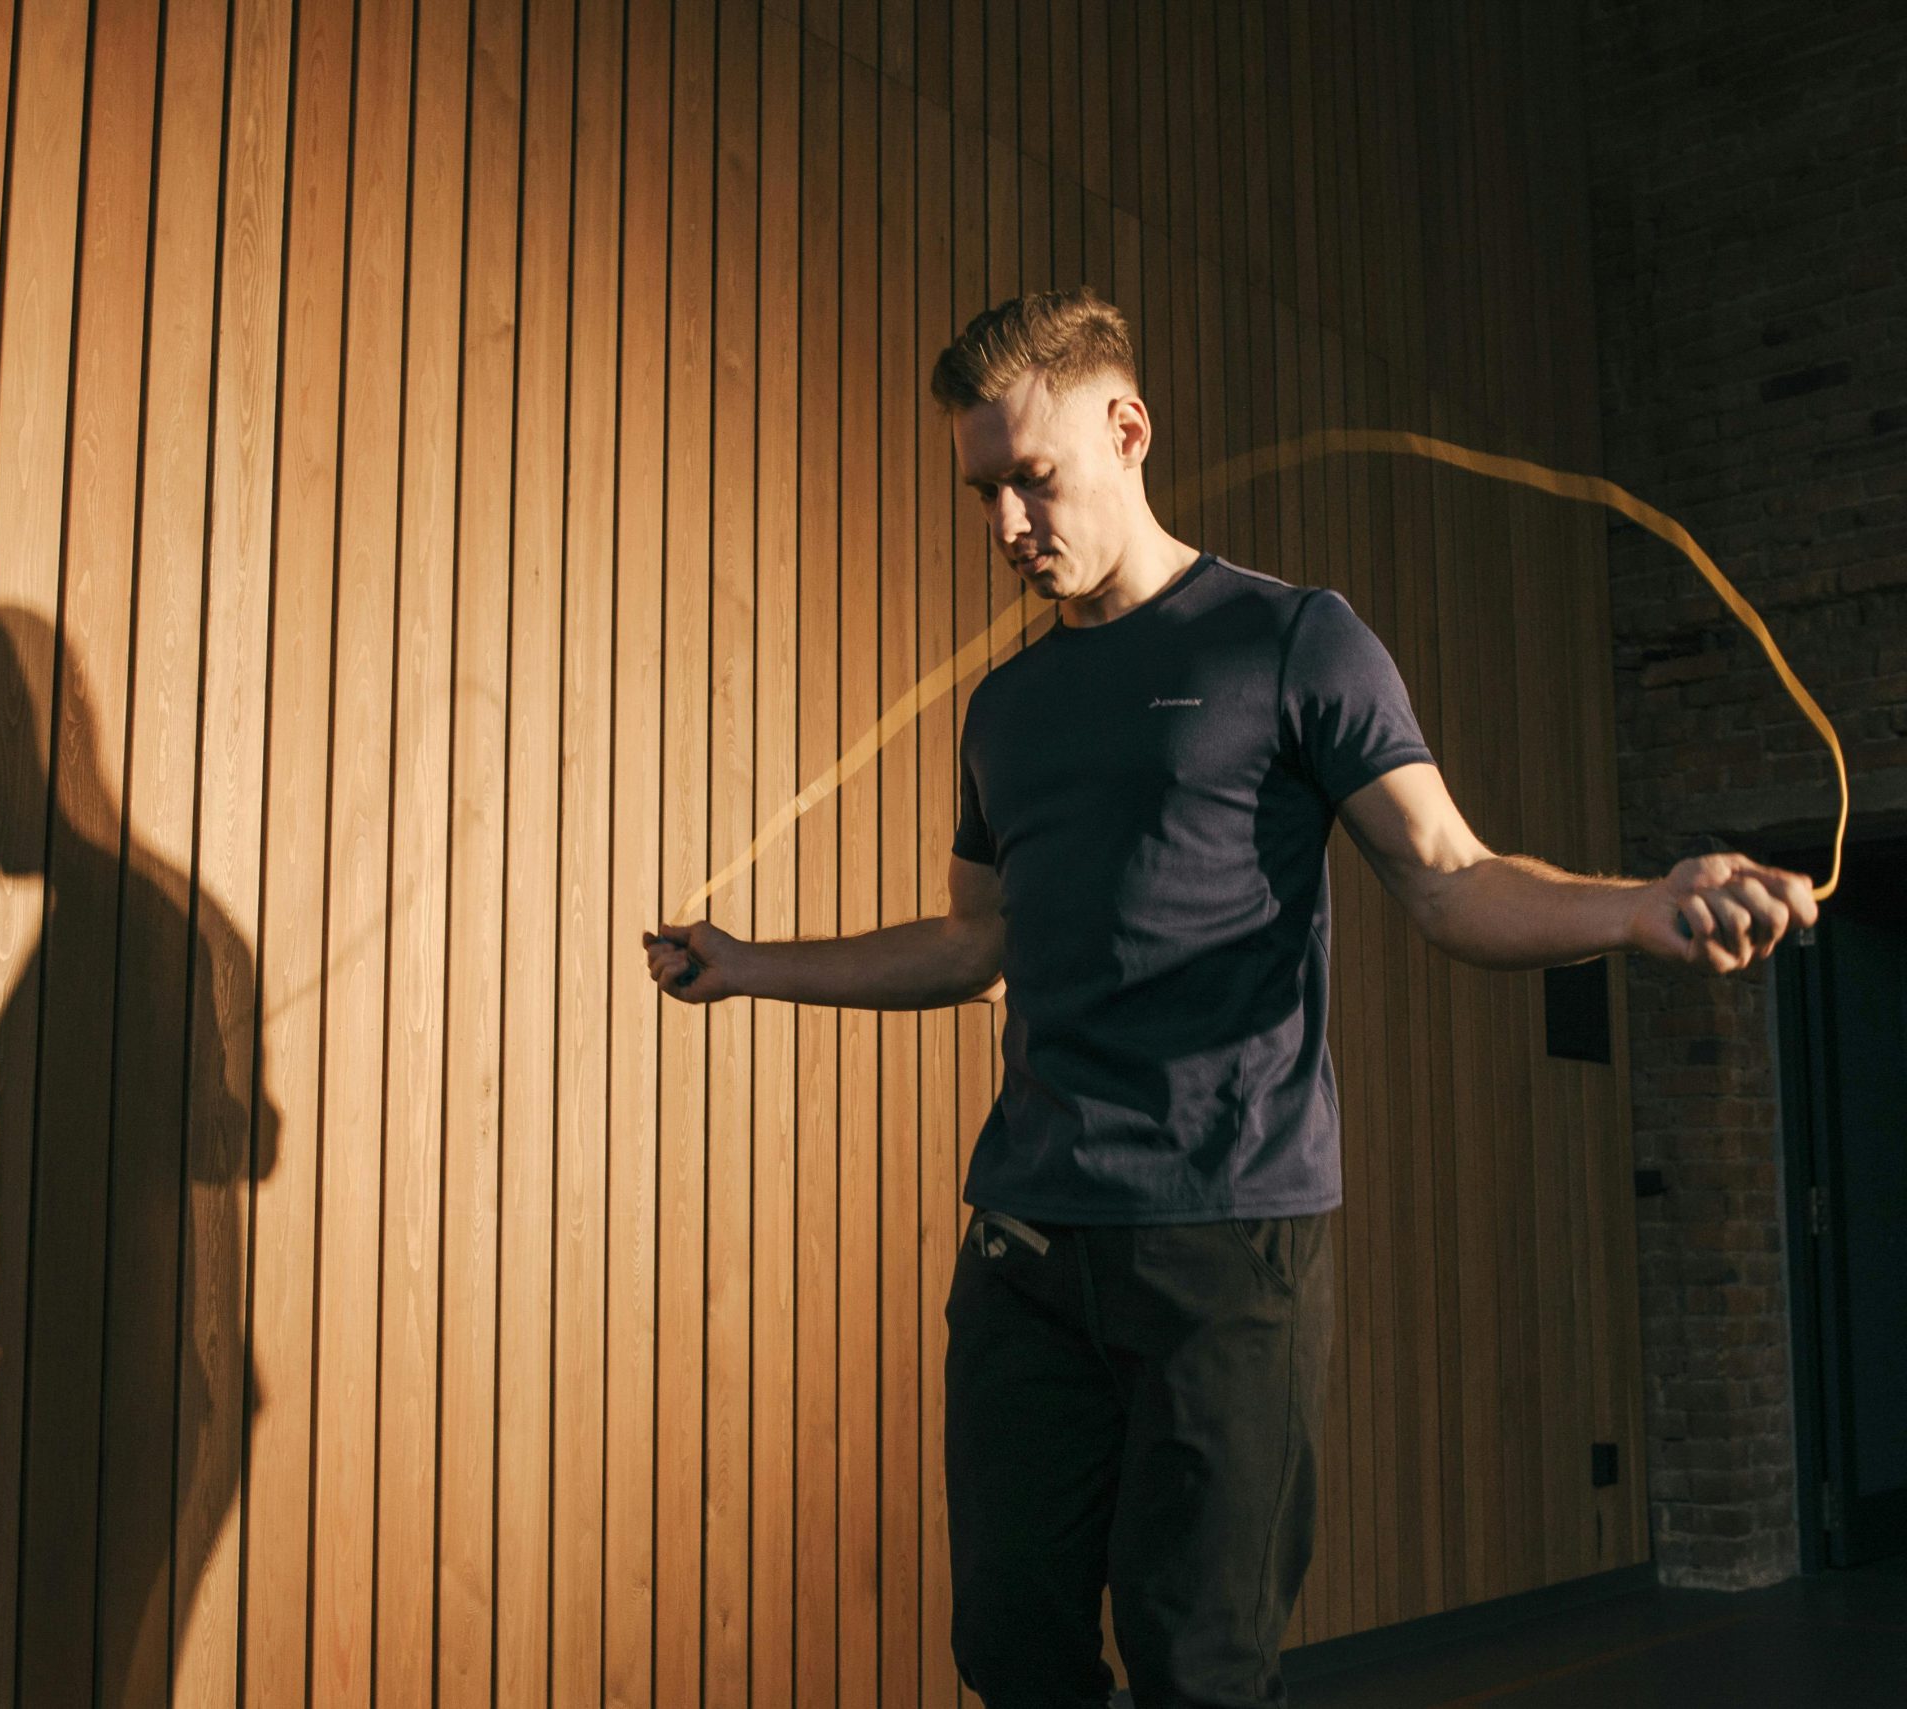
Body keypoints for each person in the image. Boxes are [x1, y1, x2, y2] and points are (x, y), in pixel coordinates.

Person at [639, 287, 1816, 1709]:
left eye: (1033, 478)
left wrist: (1639, 907)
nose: (1010, 525)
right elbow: (970, 947)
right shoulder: (1006, 713)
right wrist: (752, 962)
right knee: (1009, 1643)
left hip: (1228, 1247)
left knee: (1201, 1662)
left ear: (1127, 427)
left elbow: (1448, 878)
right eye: (984, 492)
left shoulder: (1293, 642)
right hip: (1027, 1239)